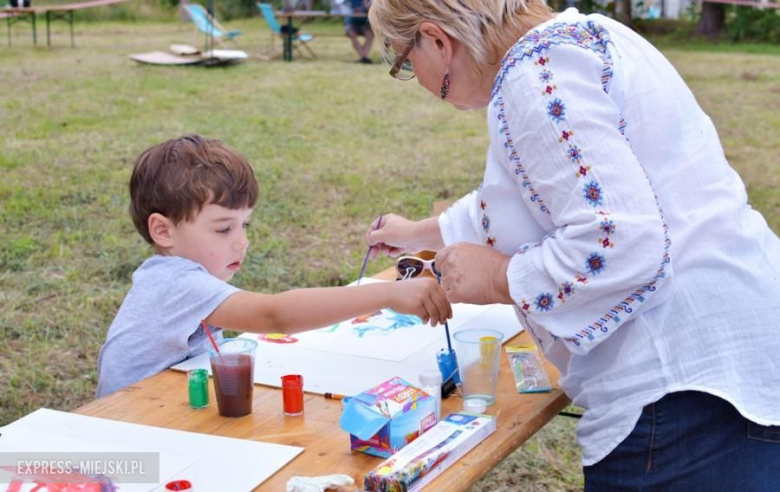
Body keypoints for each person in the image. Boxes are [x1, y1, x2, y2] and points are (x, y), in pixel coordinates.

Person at [364, 1, 780, 489]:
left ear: (436, 39)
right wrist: (417, 231)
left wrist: (500, 277)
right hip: (727, 355)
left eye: (403, 61)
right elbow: (549, 192)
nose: (414, 76)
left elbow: (618, 241)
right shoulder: (583, 39)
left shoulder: (534, 75)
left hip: (677, 395)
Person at [96, 135, 451, 398]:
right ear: (163, 230)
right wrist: (388, 293)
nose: (241, 241)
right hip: (130, 428)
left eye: (244, 225)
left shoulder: (174, 272)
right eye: (223, 229)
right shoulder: (176, 282)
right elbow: (274, 315)